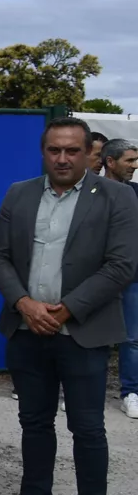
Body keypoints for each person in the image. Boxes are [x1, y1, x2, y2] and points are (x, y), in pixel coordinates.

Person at [0, 117, 138, 495]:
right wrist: (24, 304)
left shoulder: (116, 197)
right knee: (34, 424)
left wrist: (67, 309)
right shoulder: (20, 193)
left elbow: (121, 265)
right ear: (44, 151)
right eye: (55, 150)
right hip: (27, 328)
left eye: (72, 150)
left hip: (83, 333)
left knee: (87, 428)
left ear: (89, 153)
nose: (63, 158)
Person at [98, 138, 138, 418]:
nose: (135, 166)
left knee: (132, 338)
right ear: (110, 162)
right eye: (130, 161)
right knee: (92, 336)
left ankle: (131, 393)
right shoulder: (89, 191)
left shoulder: (136, 192)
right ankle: (87, 391)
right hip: (96, 278)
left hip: (133, 278)